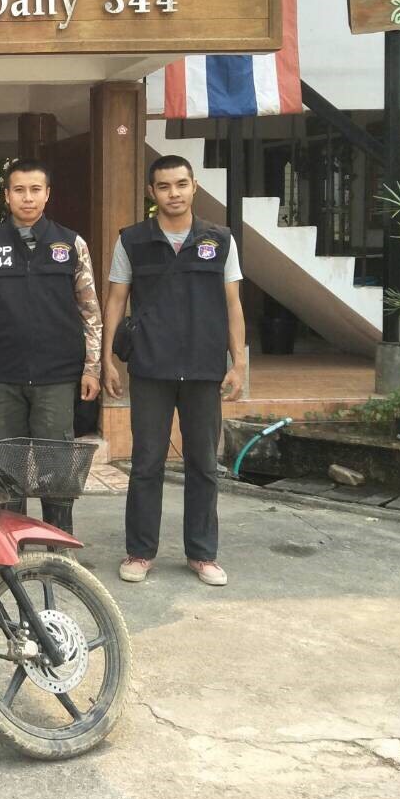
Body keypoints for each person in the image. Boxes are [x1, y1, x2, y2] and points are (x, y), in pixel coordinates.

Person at [102, 154, 245, 588]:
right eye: (164, 186)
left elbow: (233, 303)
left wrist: (239, 362)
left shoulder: (220, 240)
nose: (174, 193)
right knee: (146, 462)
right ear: (152, 192)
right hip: (151, 367)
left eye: (181, 184)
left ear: (194, 186)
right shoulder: (132, 240)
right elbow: (116, 300)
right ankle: (140, 551)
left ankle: (202, 554)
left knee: (203, 463)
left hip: (204, 368)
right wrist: (106, 359)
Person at [0, 159, 101, 535]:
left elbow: (90, 311)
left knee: (57, 464)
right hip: (2, 374)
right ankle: (10, 542)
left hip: (57, 375)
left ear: (47, 194)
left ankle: (58, 541)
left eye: (35, 190)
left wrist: (92, 368)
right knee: (6, 465)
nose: (27, 198)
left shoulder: (71, 244)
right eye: (19, 190)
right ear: (7, 195)